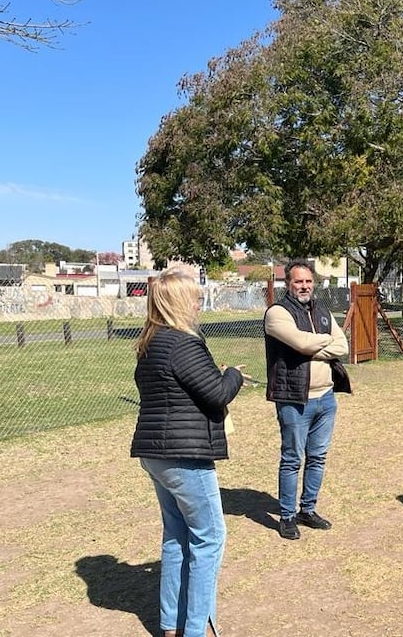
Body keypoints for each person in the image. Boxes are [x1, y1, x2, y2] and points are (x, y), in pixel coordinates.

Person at [130, 268, 247, 637]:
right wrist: (233, 375)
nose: (199, 304)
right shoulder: (182, 343)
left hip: (157, 454)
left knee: (177, 536)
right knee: (209, 537)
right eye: (195, 298)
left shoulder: (150, 344)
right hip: (184, 455)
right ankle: (196, 629)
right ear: (179, 302)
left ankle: (171, 625)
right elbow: (217, 393)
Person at [265, 259, 350, 541]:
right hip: (294, 398)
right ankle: (287, 516)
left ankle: (308, 510)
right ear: (288, 283)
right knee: (292, 459)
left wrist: (311, 345)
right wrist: (321, 341)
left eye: (308, 281)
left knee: (318, 457)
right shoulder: (277, 313)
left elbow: (343, 345)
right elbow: (301, 344)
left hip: (326, 397)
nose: (304, 286)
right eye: (298, 281)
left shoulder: (322, 310)